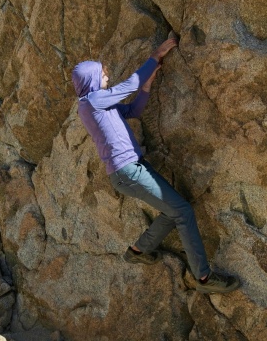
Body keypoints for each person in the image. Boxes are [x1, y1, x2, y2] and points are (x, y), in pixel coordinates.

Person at [72, 34, 240, 294]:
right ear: (91, 79)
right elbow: (129, 86)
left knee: (173, 211)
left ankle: (139, 250)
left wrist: (147, 86)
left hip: (131, 170)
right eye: (103, 74)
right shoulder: (91, 101)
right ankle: (204, 278)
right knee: (183, 212)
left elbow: (133, 111)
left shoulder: (100, 105)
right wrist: (156, 54)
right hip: (128, 172)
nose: (107, 76)